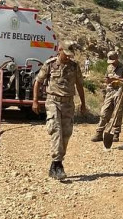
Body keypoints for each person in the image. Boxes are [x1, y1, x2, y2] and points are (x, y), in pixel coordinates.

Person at [32, 41, 87, 181]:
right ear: (59, 50)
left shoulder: (74, 67)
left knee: (66, 134)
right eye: (66, 54)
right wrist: (35, 100)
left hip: (68, 103)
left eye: (70, 55)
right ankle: (58, 165)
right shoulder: (50, 64)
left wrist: (83, 103)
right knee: (56, 130)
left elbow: (79, 85)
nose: (68, 57)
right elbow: (38, 81)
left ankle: (55, 165)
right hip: (53, 102)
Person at [92, 50, 123, 145]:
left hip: (119, 90)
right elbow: (106, 78)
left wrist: (116, 79)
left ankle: (116, 133)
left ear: (117, 58)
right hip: (109, 91)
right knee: (104, 112)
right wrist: (107, 80)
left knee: (117, 112)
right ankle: (99, 133)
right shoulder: (109, 67)